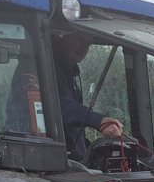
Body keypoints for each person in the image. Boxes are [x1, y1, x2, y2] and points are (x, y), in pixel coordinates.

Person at [51, 31, 123, 163]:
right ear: (60, 38)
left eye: (88, 43)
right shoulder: (43, 69)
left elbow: (72, 129)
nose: (84, 47)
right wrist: (99, 121)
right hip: (44, 158)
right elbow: (57, 106)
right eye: (79, 39)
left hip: (69, 159)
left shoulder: (69, 73)